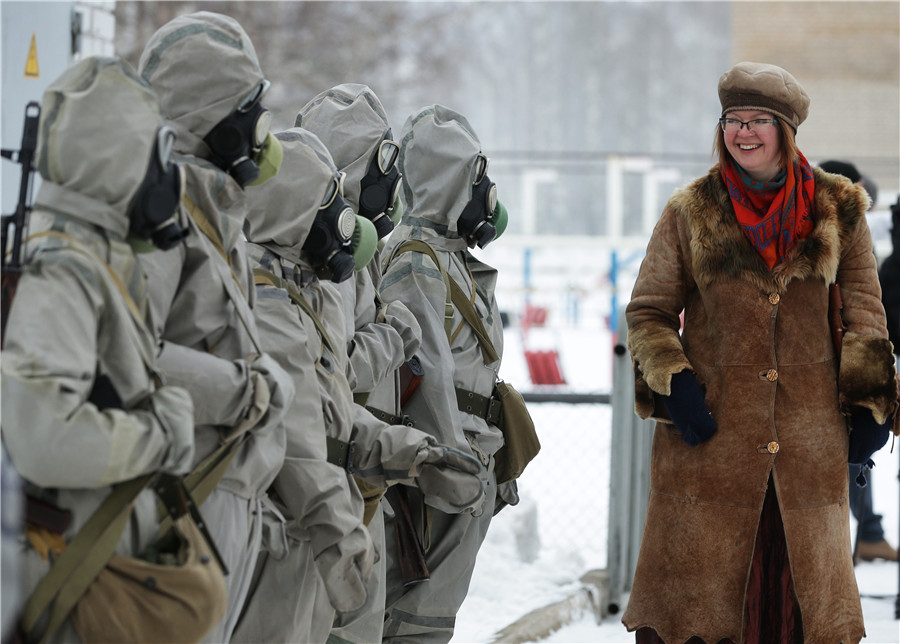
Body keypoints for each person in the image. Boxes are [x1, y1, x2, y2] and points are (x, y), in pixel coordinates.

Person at [623, 62, 898, 643]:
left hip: (808, 445)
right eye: (732, 120)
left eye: (758, 121)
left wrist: (871, 404)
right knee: (700, 612)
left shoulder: (838, 210)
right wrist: (676, 385)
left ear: (786, 130)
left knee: (802, 614)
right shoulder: (689, 210)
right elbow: (648, 312)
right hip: (711, 445)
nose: (742, 133)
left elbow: (866, 314)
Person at [232, 128, 485, 643]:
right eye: (328, 200)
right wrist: (337, 529)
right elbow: (303, 436)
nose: (342, 216)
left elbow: (325, 411)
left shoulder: (298, 287)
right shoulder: (267, 301)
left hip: (330, 507)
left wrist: (413, 452)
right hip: (282, 523)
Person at [1, 56, 198, 642]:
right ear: (121, 162)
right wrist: (161, 435)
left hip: (92, 574)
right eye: (156, 158)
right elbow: (45, 439)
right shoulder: (63, 271)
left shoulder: (89, 256)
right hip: (66, 583)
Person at [137, 13, 294, 643]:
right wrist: (243, 389)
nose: (263, 129)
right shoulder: (157, 212)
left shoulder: (209, 209)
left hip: (217, 508)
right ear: (219, 116)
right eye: (252, 107)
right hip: (177, 506)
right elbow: (121, 357)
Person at [379, 105, 516, 643]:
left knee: (434, 616)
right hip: (437, 476)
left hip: (465, 463)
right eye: (477, 176)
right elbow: (424, 376)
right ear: (457, 179)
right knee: (417, 622)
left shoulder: (448, 259)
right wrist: (449, 465)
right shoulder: (418, 262)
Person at [295, 83, 422, 644]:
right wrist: (393, 334)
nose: (391, 184)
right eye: (381, 162)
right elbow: (333, 373)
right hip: (332, 480)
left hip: (359, 478)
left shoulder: (351, 252)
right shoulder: (321, 258)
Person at [819, 159, 898, 564]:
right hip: (828, 373)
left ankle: (867, 533)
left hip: (848, 367)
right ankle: (866, 533)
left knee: (853, 458)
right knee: (847, 459)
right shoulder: (821, 231)